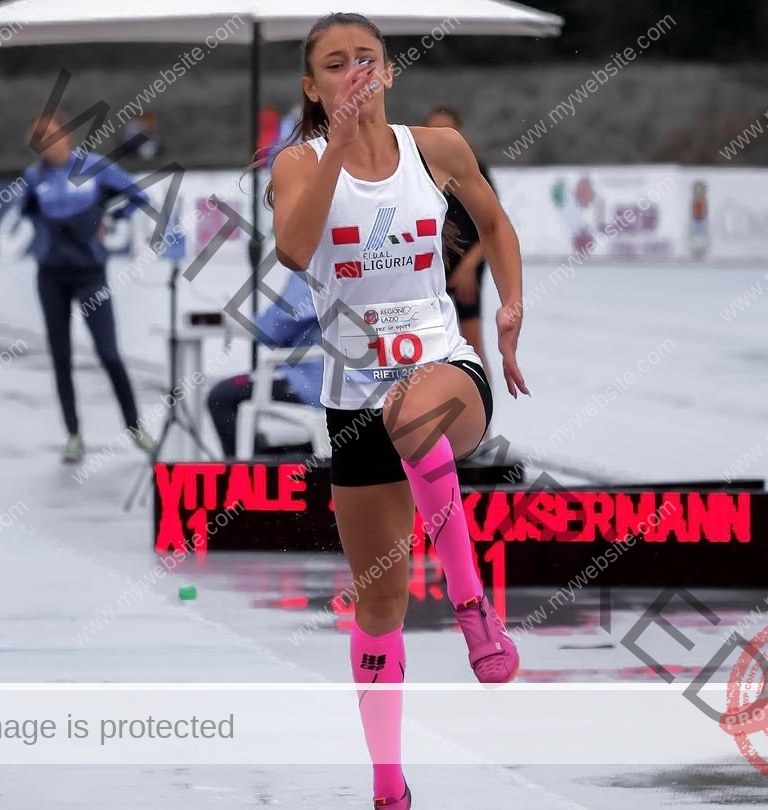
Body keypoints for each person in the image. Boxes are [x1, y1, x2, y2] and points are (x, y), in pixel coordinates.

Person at [265, 13, 528, 809]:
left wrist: (510, 310)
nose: (355, 73)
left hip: (447, 376)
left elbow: (496, 221)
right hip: (353, 403)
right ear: (313, 88)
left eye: (367, 59)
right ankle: (388, 786)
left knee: (414, 410)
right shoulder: (297, 164)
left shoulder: (434, 150)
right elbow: (293, 249)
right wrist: (338, 144)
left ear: (389, 70)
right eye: (336, 65)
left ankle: (473, 605)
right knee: (378, 600)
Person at [22, 111, 158, 464]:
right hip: (51, 276)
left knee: (109, 353)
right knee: (61, 356)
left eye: (54, 137)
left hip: (90, 274)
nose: (50, 146)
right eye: (42, 142)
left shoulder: (94, 166)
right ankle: (73, 434)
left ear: (66, 136)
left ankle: (135, 427)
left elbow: (139, 195)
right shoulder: (35, 178)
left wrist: (111, 218)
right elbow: (29, 214)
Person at [206, 271, 322, 457]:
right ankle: (284, 466)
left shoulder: (312, 267)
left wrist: (253, 323)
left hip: (313, 383)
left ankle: (249, 478)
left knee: (222, 397)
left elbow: (273, 329)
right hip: (356, 387)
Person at [423, 105, 495, 381]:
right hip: (430, 268)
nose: (440, 136)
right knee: (428, 350)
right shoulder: (413, 170)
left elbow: (491, 228)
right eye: (433, 129)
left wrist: (468, 267)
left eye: (447, 130)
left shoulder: (473, 169)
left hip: (467, 264)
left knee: (473, 347)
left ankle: (482, 420)